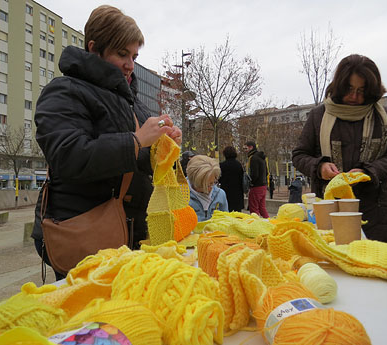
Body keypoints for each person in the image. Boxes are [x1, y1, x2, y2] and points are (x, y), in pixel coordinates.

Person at [31, 5, 182, 280]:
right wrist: (137, 140)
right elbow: (68, 156)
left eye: (134, 56)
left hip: (131, 237)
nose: (130, 64)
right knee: (88, 319)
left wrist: (164, 149)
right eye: (122, 54)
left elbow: (139, 162)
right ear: (94, 48)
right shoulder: (63, 91)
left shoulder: (134, 102)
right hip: (86, 237)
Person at [292, 54, 387, 243]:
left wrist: (368, 172)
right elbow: (299, 155)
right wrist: (319, 167)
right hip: (329, 209)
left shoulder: (384, 117)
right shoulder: (318, 116)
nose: (354, 96)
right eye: (350, 89)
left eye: (361, 91)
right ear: (340, 86)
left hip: (374, 212)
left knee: (375, 266)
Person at [187, 155, 228, 221]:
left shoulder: (220, 194)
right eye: (202, 186)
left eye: (212, 183)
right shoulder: (181, 197)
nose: (208, 189)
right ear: (193, 181)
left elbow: (226, 221)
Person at [243, 141, 269, 218]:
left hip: (256, 187)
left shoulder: (253, 158)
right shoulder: (262, 158)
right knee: (262, 208)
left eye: (245, 148)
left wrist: (251, 183)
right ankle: (270, 224)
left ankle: (255, 226)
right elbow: (267, 172)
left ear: (251, 147)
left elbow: (254, 174)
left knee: (254, 209)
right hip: (263, 186)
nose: (245, 150)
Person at [219, 146, 244, 212]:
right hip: (237, 192)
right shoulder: (239, 165)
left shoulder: (222, 165)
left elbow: (219, 178)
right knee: (237, 214)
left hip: (226, 191)